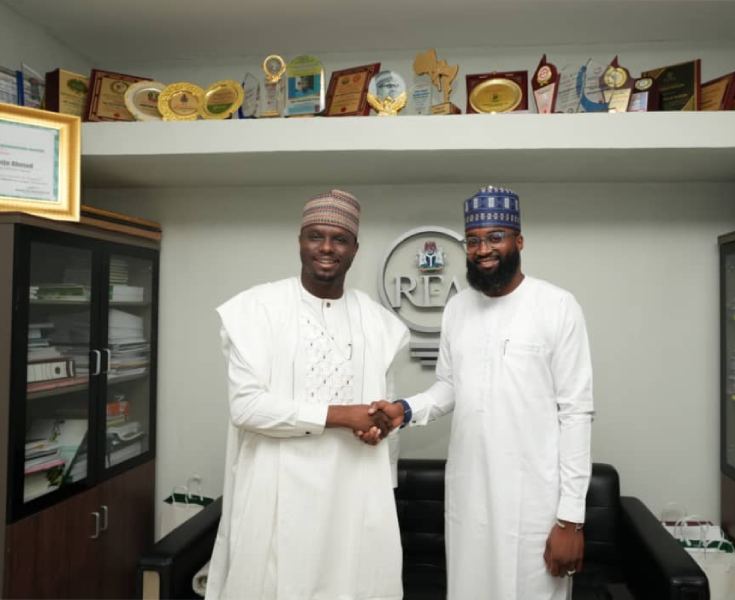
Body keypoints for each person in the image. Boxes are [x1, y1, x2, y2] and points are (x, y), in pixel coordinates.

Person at [368, 186, 594, 600]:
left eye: (495, 237)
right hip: (470, 498)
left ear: (518, 241)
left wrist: (571, 519)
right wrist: (404, 409)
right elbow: (451, 387)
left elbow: (576, 413)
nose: (483, 249)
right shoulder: (457, 309)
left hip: (535, 504)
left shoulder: (558, 306)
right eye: (473, 241)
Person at [206, 189, 408, 600]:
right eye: (316, 236)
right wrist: (342, 415)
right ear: (300, 241)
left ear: (355, 249)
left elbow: (381, 414)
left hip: (351, 497)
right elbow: (246, 409)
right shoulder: (256, 309)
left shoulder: (379, 323)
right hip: (276, 493)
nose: (327, 248)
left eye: (340, 238)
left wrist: (379, 429)